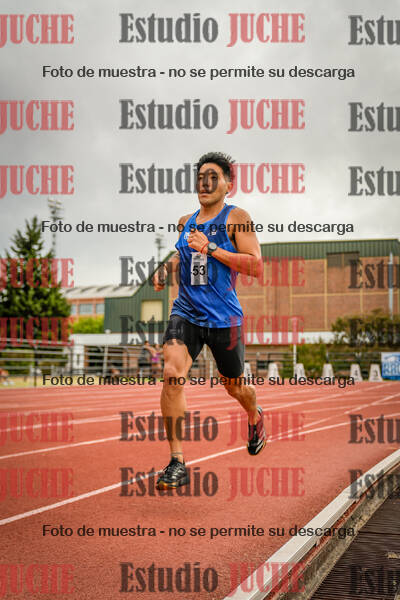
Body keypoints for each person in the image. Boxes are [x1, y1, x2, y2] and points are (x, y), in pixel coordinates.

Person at [152, 151, 267, 490]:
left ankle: (254, 414)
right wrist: (165, 269)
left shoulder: (237, 218)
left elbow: (255, 265)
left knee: (234, 386)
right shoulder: (185, 221)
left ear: (229, 185)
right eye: (201, 177)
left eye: (213, 177)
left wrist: (211, 249)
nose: (205, 183)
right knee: (171, 373)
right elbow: (182, 253)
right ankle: (177, 461)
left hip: (223, 318)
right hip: (186, 312)